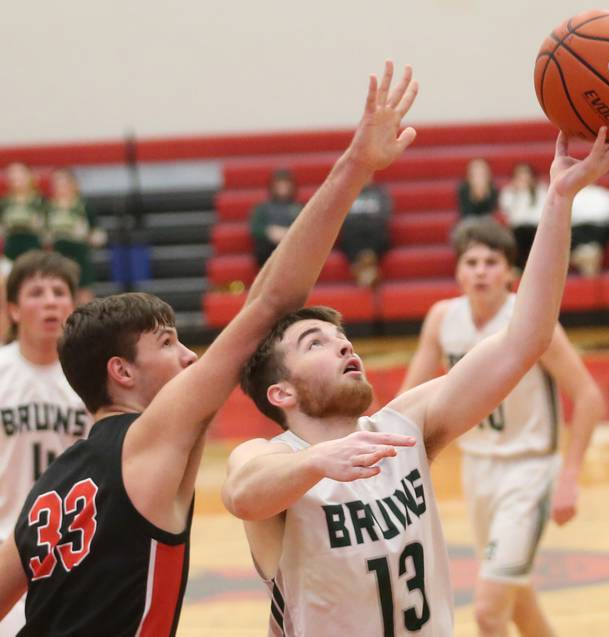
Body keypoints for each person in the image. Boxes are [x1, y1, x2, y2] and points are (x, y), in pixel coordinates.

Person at [0, 61, 420, 635]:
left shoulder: (49, 490)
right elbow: (269, 306)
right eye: (168, 343)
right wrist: (355, 166)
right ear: (121, 371)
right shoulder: (147, 437)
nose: (192, 358)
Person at [223, 127, 609, 636]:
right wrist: (317, 461)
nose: (343, 345)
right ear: (280, 393)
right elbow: (243, 494)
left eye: (341, 337)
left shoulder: (403, 427)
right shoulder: (273, 456)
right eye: (316, 342)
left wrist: (559, 198)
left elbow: (524, 340)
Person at [399, 217, 606, 636]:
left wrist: (570, 476)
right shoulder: (442, 319)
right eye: (471, 261)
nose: (480, 270)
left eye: (491, 262)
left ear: (510, 273)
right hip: (477, 471)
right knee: (517, 600)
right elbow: (407, 402)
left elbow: (588, 396)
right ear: (457, 271)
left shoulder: (530, 322)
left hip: (529, 472)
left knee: (489, 611)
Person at [0, 251, 88, 637]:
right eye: (37, 292)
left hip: (75, 552)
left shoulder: (95, 377)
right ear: (14, 309)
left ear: (73, 304)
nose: (50, 300)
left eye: (59, 291)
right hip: (5, 546)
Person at [46, 168, 107, 305]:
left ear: (74, 184)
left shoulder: (83, 207)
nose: (60, 187)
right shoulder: (48, 208)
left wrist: (88, 236)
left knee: (84, 294)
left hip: (79, 254)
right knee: (60, 290)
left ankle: (86, 322)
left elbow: (98, 234)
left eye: (64, 183)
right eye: (57, 183)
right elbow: (43, 233)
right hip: (58, 255)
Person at [339, 177, 392, 287]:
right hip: (352, 232)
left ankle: (361, 261)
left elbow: (385, 215)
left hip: (374, 232)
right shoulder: (346, 193)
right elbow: (340, 217)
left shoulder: (380, 192)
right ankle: (367, 259)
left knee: (377, 230)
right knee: (350, 232)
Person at [249, 168, 303, 266]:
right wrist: (269, 232)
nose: (282, 187)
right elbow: (255, 228)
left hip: (292, 247)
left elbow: (306, 228)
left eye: (286, 184)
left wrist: (287, 234)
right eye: (279, 184)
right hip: (269, 248)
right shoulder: (263, 208)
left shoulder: (299, 208)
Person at [498, 163, 547, 269]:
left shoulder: (540, 191)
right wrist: (520, 194)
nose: (524, 178)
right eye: (520, 175)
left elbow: (541, 214)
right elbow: (511, 216)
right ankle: (519, 267)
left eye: (526, 174)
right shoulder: (509, 192)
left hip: (536, 228)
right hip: (517, 230)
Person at [0, 163, 46, 265]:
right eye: (12, 174)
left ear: (29, 176)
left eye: (20, 173)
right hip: (11, 245)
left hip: (33, 244)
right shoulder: (4, 202)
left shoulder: (41, 200)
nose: (16, 177)